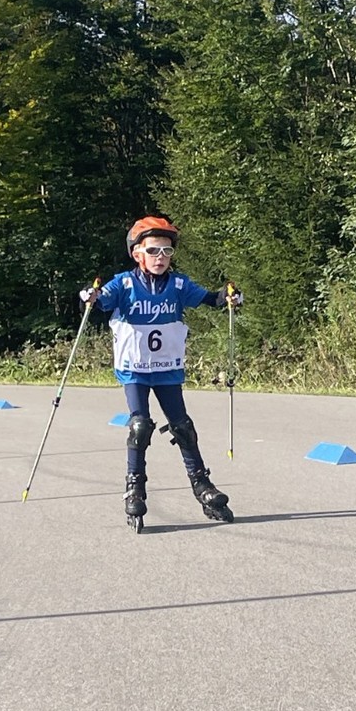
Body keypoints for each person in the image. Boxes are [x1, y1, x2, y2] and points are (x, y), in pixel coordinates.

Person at [80, 215, 242, 530]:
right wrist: (90, 294)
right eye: (153, 251)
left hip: (167, 367)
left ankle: (202, 486)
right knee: (140, 426)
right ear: (137, 253)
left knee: (182, 426)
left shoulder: (178, 285)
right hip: (135, 369)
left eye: (167, 252)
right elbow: (101, 301)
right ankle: (135, 488)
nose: (161, 258)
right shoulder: (124, 283)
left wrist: (229, 297)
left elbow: (211, 299)